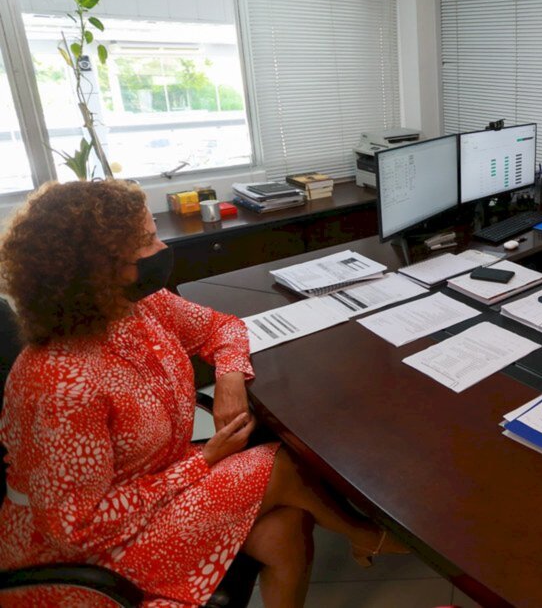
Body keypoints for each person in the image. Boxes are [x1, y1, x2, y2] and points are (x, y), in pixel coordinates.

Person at [0, 181, 405, 608]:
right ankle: (368, 537)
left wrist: (229, 377)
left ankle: (363, 538)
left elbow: (223, 327)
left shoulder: (139, 307)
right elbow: (75, 528)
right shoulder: (59, 383)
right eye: (146, 240)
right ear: (100, 268)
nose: (161, 246)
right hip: (89, 556)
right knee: (279, 461)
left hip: (151, 493)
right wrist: (205, 460)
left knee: (284, 528)